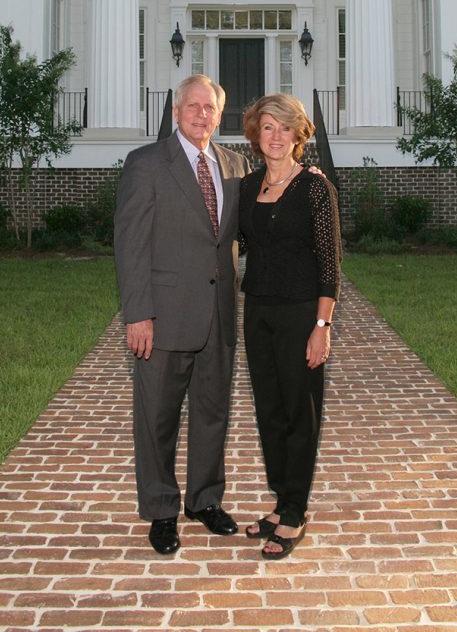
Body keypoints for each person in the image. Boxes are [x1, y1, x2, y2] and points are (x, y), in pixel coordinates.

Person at [114, 74, 250, 556]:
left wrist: (303, 177)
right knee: (157, 417)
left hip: (217, 315)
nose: (200, 114)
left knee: (213, 413)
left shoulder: (234, 165)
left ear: (219, 113)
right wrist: (137, 313)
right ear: (176, 112)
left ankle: (204, 500)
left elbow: (257, 218)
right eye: (191, 106)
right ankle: (161, 510)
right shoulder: (147, 163)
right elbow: (130, 244)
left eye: (209, 107)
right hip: (164, 315)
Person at [239, 93, 342, 559]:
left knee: (301, 412)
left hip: (301, 312)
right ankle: (282, 501)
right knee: (269, 410)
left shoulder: (315, 188)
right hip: (257, 311)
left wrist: (322, 324)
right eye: (267, 128)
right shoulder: (247, 187)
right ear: (256, 135)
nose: (276, 136)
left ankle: (297, 511)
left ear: (298, 135)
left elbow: (329, 265)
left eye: (284, 128)